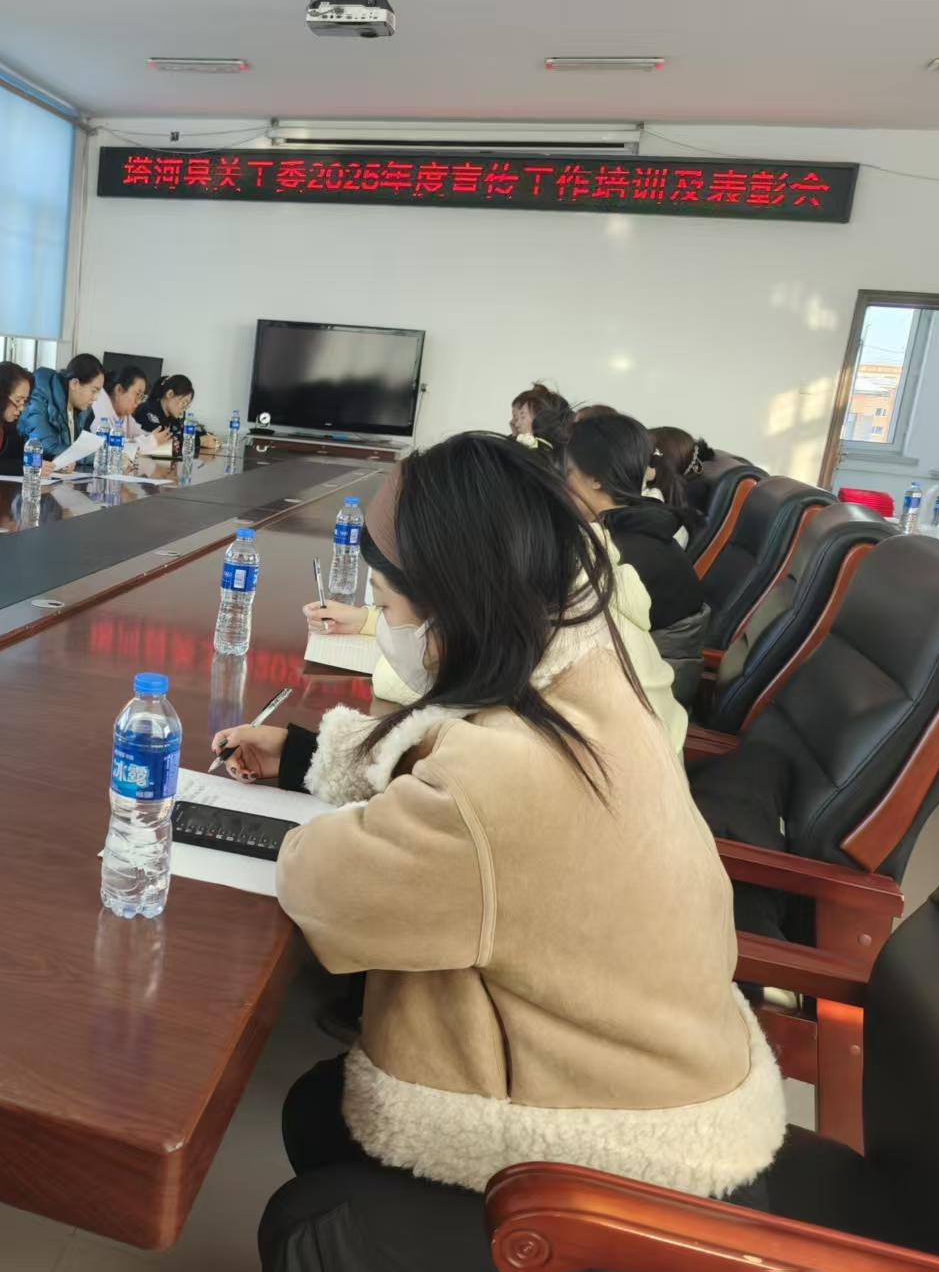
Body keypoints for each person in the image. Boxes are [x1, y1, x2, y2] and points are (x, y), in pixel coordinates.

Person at [220, 437, 784, 1272]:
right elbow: (460, 758)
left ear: (451, 606)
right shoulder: (587, 670)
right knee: (317, 1109)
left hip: (631, 1163)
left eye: (388, 603)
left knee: (312, 1222)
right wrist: (315, 756)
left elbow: (326, 885)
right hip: (667, 1077)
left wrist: (331, 812)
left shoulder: (506, 779)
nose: (387, 627)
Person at [564, 413, 705, 632]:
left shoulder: (616, 551)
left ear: (597, 479)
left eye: (567, 472)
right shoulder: (642, 523)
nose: (562, 484)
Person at [18, 353, 104, 462]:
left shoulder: (82, 411)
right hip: (31, 470)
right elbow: (45, 446)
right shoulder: (41, 396)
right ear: (75, 384)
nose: (96, 398)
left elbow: (80, 449)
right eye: (94, 391)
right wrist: (99, 457)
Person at [90, 363, 148, 437]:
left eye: (141, 397)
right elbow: (103, 441)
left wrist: (153, 437)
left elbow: (140, 434)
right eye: (137, 394)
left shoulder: (125, 415)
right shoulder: (99, 406)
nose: (138, 402)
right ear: (119, 389)